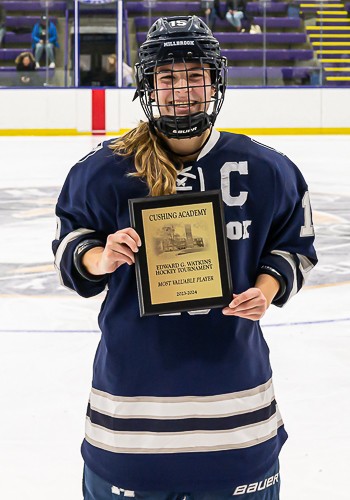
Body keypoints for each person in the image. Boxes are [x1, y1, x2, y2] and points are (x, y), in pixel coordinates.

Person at [53, 15, 317, 500]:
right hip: (130, 423)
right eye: (168, 77)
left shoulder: (267, 169)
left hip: (237, 419)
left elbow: (293, 247)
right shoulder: (102, 170)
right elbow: (71, 245)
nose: (182, 89)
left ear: (214, 81)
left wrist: (265, 290)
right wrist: (100, 257)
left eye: (194, 75)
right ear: (148, 85)